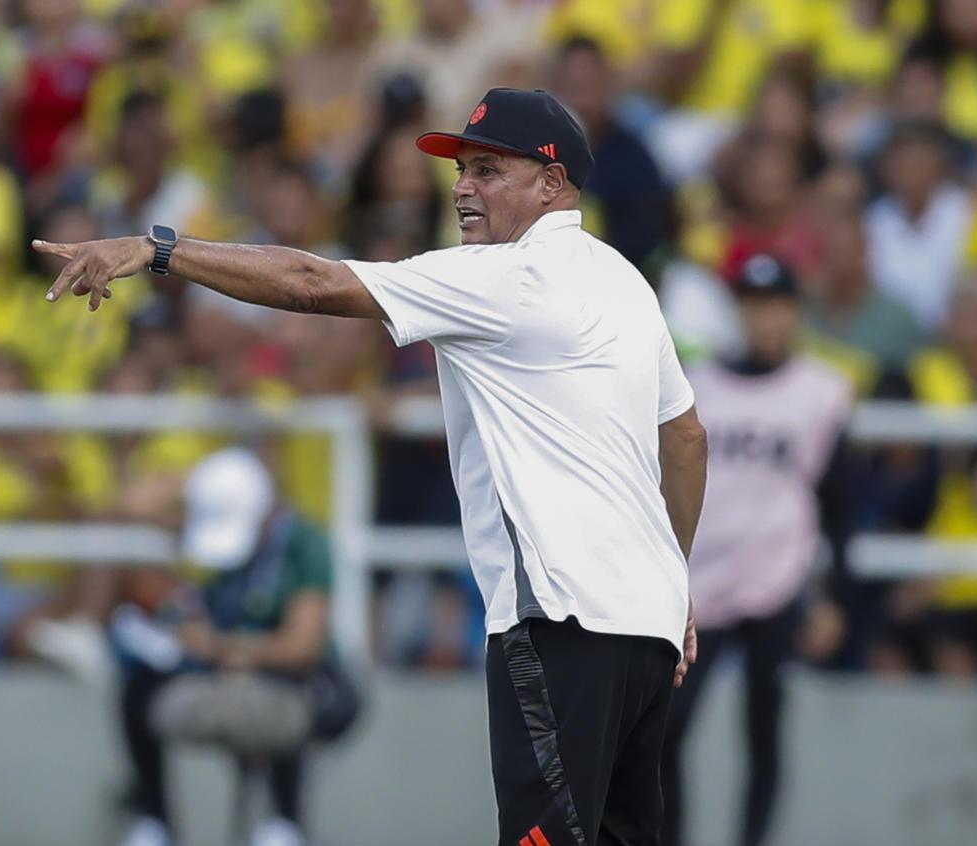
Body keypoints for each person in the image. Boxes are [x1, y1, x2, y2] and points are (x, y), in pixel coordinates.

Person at [37, 88, 708, 846]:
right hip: (646, 627)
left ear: (550, 184)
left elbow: (311, 283)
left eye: (486, 170)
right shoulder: (625, 281)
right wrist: (673, 582)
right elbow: (683, 440)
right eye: (460, 171)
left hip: (559, 616)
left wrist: (158, 249)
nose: (460, 187)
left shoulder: (502, 277)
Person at [660, 255, 855, 846]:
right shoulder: (696, 386)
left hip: (776, 580)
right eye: (751, 304)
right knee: (669, 732)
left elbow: (840, 506)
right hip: (703, 584)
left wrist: (832, 599)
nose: (763, 318)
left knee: (764, 731)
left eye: (774, 305)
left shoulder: (823, 393)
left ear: (794, 311)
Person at [114, 448, 356, 846]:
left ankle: (284, 820)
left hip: (291, 680)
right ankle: (154, 819)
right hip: (218, 664)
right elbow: (127, 508)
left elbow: (302, 646)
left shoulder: (304, 544)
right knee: (136, 685)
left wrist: (224, 648)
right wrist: (184, 483)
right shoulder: (207, 532)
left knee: (275, 695)